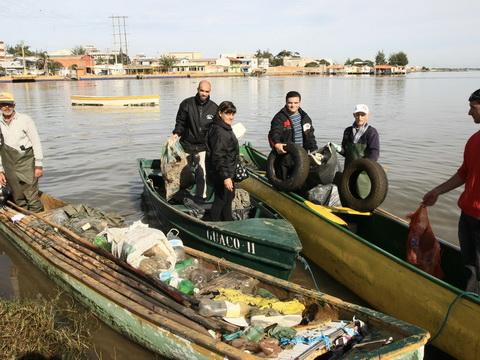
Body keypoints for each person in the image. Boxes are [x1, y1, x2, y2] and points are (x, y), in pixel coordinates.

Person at [422, 89, 480, 294]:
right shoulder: (474, 140)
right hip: (467, 217)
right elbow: (463, 174)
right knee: (470, 267)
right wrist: (437, 191)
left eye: (473, 108)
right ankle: (469, 302)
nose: (469, 113)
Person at [171, 80, 217, 201]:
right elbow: (180, 122)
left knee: (201, 173)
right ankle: (177, 195)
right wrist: (176, 134)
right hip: (186, 144)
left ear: (209, 92)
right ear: (197, 89)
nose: (204, 93)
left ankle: (200, 197)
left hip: (202, 146)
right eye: (202, 90)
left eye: (206, 91)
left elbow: (215, 129)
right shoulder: (186, 104)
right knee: (180, 171)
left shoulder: (214, 108)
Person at [0, 92, 44, 212]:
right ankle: (24, 219)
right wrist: (0, 171)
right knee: (17, 196)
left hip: (26, 162)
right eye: (3, 105)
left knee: (32, 196)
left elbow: (36, 142)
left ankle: (38, 221)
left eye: (9, 104)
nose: (7, 107)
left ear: (14, 105)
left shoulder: (25, 120)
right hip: (8, 165)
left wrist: (38, 165)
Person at [268, 91, 318, 179]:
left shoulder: (305, 118)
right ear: (286, 102)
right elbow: (275, 133)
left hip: (302, 156)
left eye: (296, 103)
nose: (293, 105)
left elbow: (310, 136)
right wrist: (277, 144)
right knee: (285, 180)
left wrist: (315, 151)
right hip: (285, 156)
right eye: (290, 103)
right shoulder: (279, 118)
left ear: (299, 103)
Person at [205, 101, 238, 221]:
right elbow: (218, 156)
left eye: (233, 114)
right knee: (222, 199)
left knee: (228, 197)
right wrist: (226, 177)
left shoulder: (222, 127)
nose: (231, 117)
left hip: (224, 170)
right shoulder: (220, 132)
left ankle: (227, 220)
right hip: (222, 172)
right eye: (228, 113)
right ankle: (214, 223)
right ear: (220, 113)